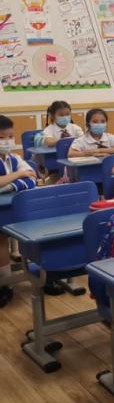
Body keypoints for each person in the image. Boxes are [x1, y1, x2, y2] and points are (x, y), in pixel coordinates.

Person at [0, 115, 37, 306]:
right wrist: (19, 175)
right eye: (1, 138)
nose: (7, 142)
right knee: (1, 238)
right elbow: (25, 176)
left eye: (10, 137)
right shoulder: (16, 164)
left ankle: (44, 274)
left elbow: (32, 178)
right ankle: (4, 284)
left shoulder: (14, 158)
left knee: (35, 230)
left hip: (17, 205)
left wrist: (9, 184)